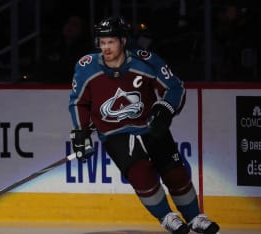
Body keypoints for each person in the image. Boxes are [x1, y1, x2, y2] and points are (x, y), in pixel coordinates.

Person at [68, 16, 220, 234]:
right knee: (141, 174)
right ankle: (166, 216)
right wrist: (80, 133)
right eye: (102, 42)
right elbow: (78, 102)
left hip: (150, 126)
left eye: (111, 41)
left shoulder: (147, 61)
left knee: (175, 173)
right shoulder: (86, 67)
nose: (105, 47)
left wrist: (164, 110)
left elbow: (175, 88)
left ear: (123, 41)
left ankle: (195, 217)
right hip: (115, 133)